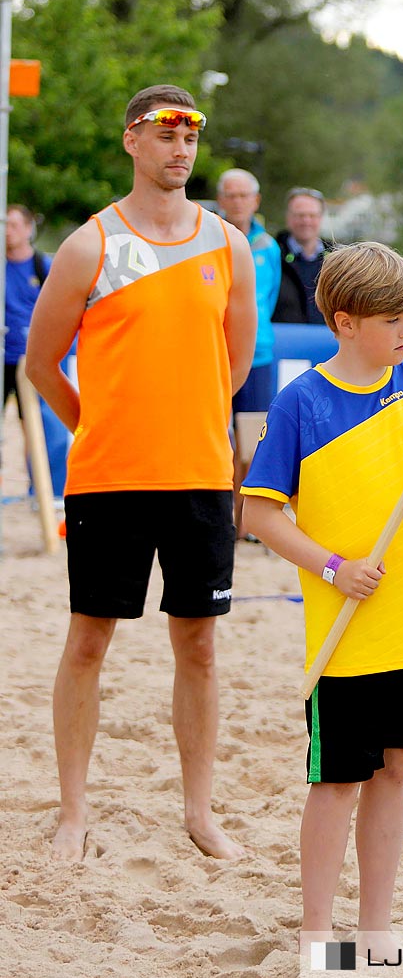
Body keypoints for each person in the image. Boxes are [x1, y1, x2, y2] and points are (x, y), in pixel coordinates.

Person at [25, 84, 256, 861]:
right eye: (165, 133)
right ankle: (73, 812)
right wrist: (97, 425)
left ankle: (199, 811)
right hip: (108, 480)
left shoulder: (228, 244)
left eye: (191, 134)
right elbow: (39, 362)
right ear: (132, 141)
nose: (181, 147)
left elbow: (236, 363)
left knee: (199, 648)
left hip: (197, 475)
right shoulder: (91, 244)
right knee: (88, 640)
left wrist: (183, 419)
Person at [240, 242, 403, 941]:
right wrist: (331, 566)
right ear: (346, 322)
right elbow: (257, 513)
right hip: (345, 629)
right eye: (390, 318)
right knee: (339, 781)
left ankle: (374, 930)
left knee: (396, 772)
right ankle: (319, 935)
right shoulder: (300, 402)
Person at [215, 169, 282, 538]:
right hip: (215, 353)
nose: (238, 202)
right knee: (216, 438)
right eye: (231, 195)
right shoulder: (212, 238)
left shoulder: (267, 247)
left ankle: (249, 520)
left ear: (255, 201)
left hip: (257, 355)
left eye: (244, 196)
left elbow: (265, 301)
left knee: (253, 440)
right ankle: (222, 516)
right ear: (221, 200)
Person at [4, 203, 52, 414]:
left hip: (29, 360)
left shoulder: (42, 266)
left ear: (27, 228)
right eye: (5, 225)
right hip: (2, 355)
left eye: (13, 225)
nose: (7, 231)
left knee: (33, 423)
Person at [274, 187, 335, 324]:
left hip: (328, 341)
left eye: (312, 215)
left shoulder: (338, 260)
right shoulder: (272, 255)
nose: (306, 221)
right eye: (300, 215)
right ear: (288, 217)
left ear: (321, 218)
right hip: (285, 340)